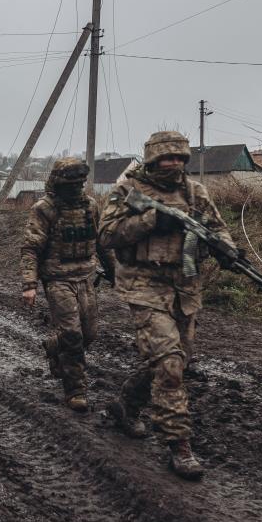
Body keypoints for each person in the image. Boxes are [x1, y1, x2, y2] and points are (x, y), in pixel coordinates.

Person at [98, 130, 237, 480]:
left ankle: (126, 406)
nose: (174, 163)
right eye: (167, 157)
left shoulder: (194, 192)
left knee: (175, 360)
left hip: (184, 287)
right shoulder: (128, 191)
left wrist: (226, 250)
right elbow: (106, 236)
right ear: (152, 159)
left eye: (180, 157)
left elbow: (218, 229)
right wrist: (149, 221)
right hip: (143, 285)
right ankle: (179, 445)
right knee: (170, 364)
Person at [20, 157, 115, 412]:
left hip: (86, 277)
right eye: (70, 183)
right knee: (73, 335)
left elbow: (102, 242)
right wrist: (29, 284)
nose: (75, 188)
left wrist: (117, 273)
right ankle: (76, 390)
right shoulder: (45, 208)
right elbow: (31, 248)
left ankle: (54, 346)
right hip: (58, 279)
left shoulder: (91, 206)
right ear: (59, 182)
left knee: (90, 333)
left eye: (79, 183)